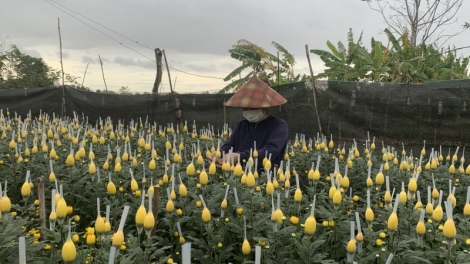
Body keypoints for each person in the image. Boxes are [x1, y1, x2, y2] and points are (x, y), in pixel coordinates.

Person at [211, 75, 288, 168]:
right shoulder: (241, 126)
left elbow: (270, 151)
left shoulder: (278, 126)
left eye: (252, 108)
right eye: (244, 108)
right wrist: (219, 154)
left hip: (267, 178)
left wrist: (239, 156)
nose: (247, 111)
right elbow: (229, 146)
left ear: (264, 107)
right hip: (240, 175)